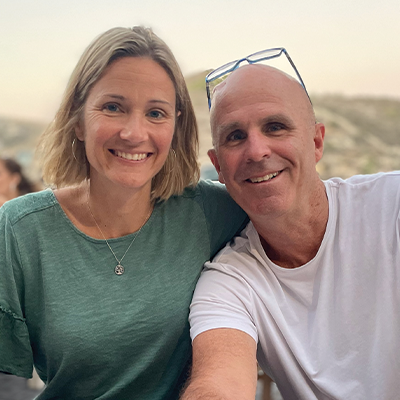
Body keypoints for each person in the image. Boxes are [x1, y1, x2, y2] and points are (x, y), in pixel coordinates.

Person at [0, 27, 247, 400]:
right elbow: (6, 382)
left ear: (175, 125)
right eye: (113, 107)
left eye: (156, 113)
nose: (135, 133)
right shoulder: (21, 229)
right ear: (78, 120)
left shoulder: (212, 211)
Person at [182, 55, 400, 399]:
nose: (256, 151)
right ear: (218, 167)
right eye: (235, 136)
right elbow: (219, 381)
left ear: (316, 142)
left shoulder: (391, 206)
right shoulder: (232, 280)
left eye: (275, 127)